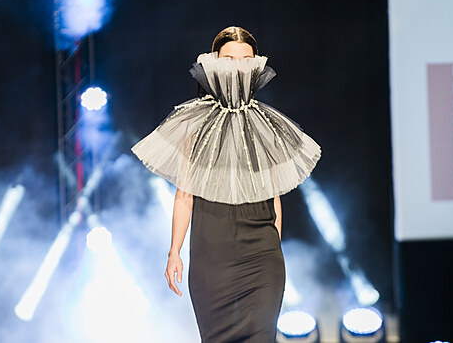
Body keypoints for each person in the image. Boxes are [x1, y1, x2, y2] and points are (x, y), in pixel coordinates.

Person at [131, 26, 321, 342]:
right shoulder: (196, 123)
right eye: (229, 59)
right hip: (211, 257)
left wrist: (275, 250)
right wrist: (174, 252)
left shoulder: (267, 125)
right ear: (215, 62)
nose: (237, 67)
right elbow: (185, 194)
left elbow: (273, 197)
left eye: (245, 60)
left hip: (262, 258)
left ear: (256, 65)